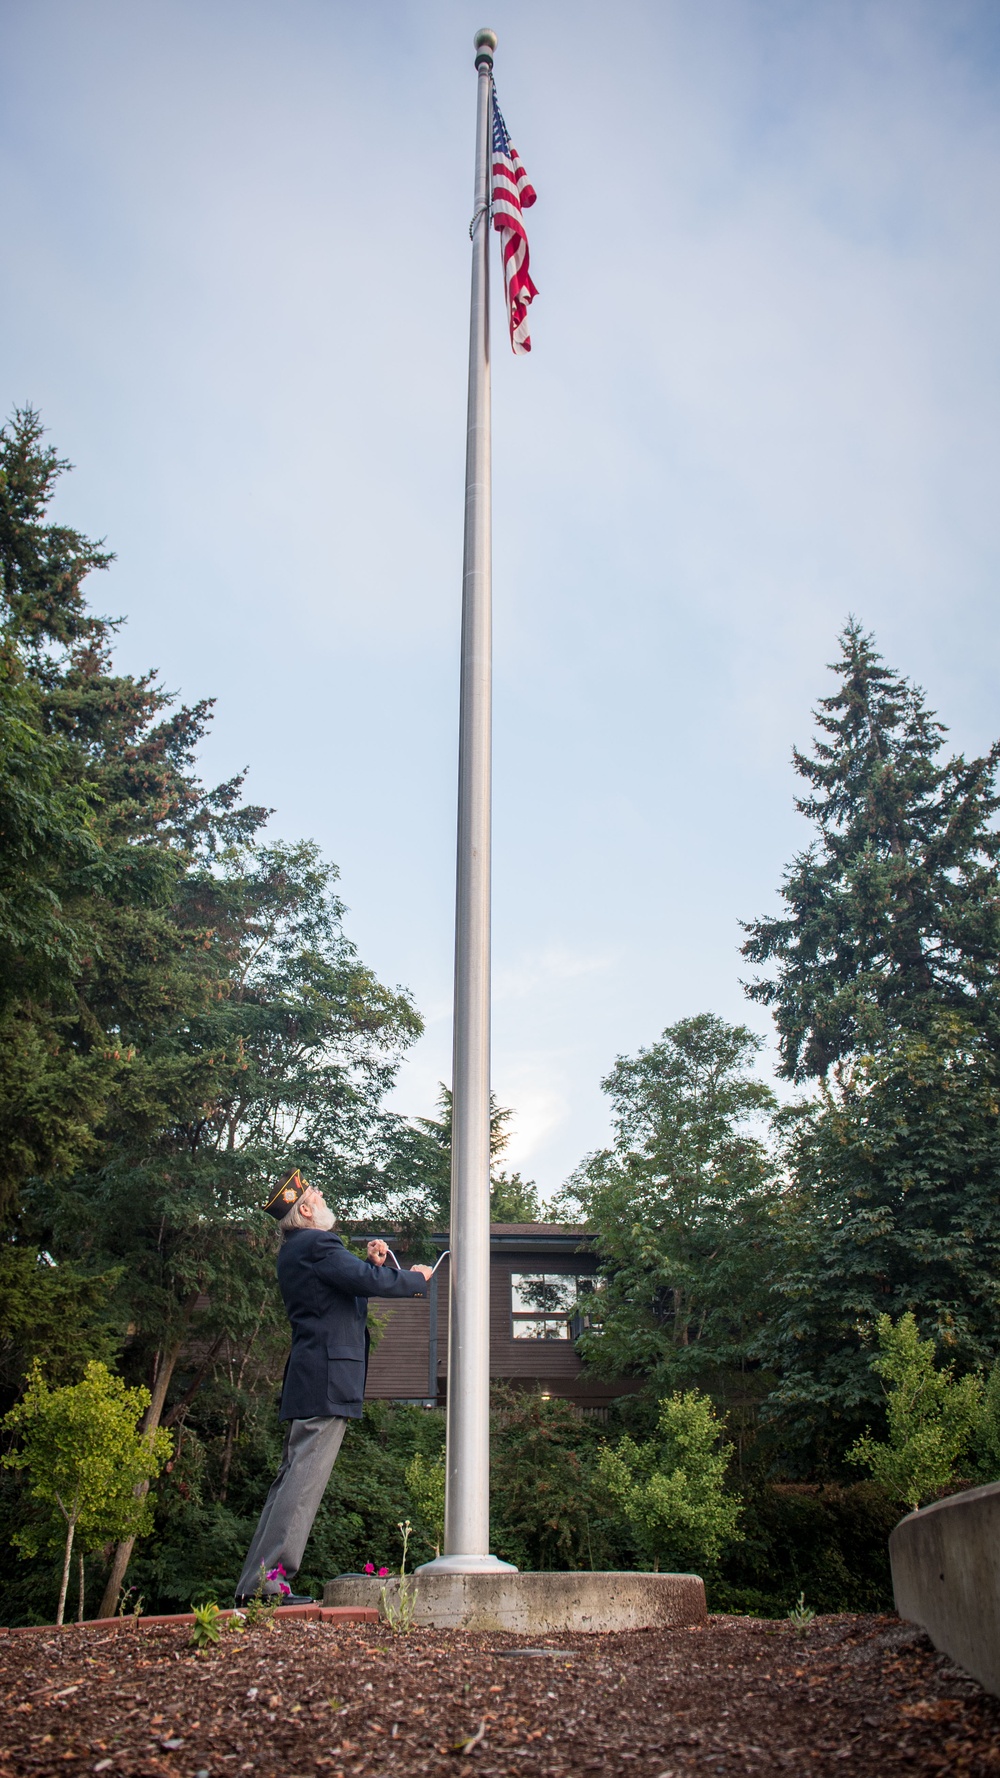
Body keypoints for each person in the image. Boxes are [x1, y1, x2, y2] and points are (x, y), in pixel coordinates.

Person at [234, 1169, 432, 1606]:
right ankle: (268, 1588)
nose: (323, 1199)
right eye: (316, 1196)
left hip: (310, 1378)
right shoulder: (318, 1243)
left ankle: (254, 1585)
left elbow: (346, 1288)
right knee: (302, 1485)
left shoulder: (297, 1251)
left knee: (289, 1482)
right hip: (325, 1380)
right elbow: (366, 1284)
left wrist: (372, 1264)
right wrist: (417, 1278)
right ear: (305, 1210)